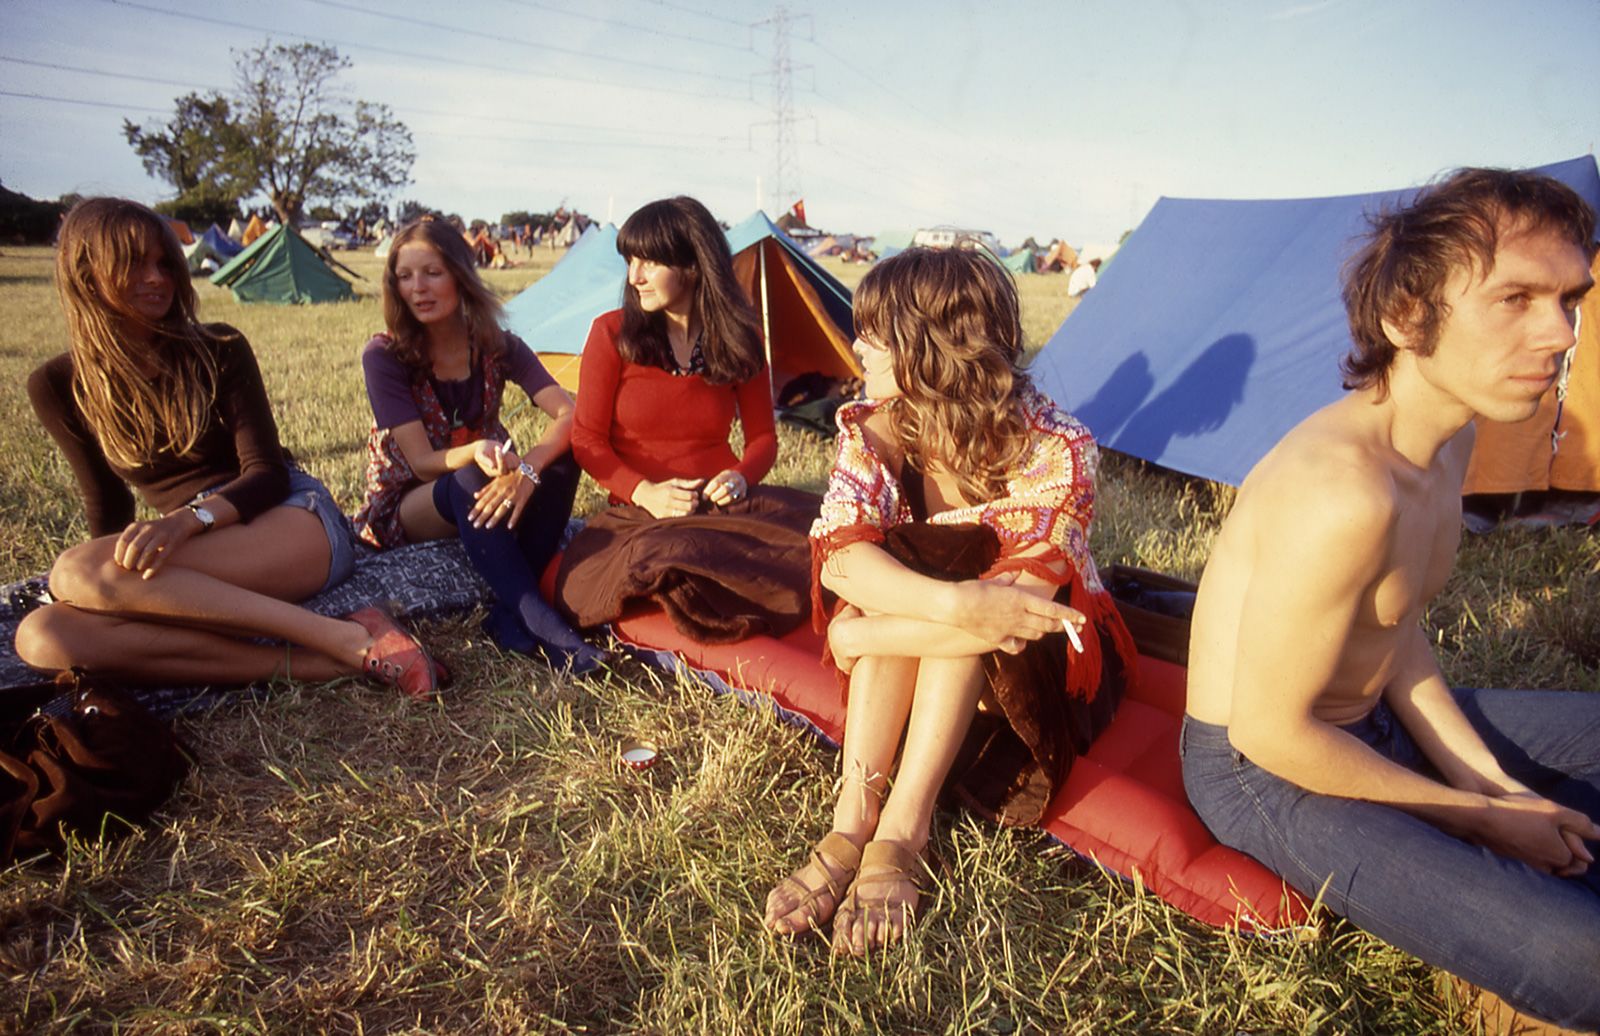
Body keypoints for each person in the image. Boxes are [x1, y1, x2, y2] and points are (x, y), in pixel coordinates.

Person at [1182, 168, 1600, 1031]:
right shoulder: (1343, 491)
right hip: (1264, 769)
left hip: (1372, 719)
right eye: (1517, 298)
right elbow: (1271, 732)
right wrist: (1483, 819)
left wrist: (1489, 785)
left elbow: (1398, 633)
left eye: (1570, 299)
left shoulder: (1450, 442)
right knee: (1583, 963)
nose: (1559, 333)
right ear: (1407, 317)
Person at [766, 247, 1136, 956]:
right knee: (931, 564)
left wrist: (862, 638)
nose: (858, 344)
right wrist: (955, 606)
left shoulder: (1059, 445)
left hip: (1044, 664)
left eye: (876, 330)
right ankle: (853, 819)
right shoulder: (879, 426)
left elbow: (1015, 615)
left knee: (956, 565)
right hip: (967, 632)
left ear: (934, 344)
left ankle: (905, 827)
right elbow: (842, 560)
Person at [17, 198, 438, 699]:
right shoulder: (57, 384)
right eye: (134, 263)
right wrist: (118, 595)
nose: (157, 278)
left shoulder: (218, 348)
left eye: (163, 263)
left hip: (285, 516)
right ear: (88, 274)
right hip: (192, 549)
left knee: (73, 569)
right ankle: (321, 665)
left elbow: (266, 474)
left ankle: (340, 636)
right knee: (43, 635)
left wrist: (185, 521)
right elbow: (107, 507)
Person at [554, 196, 818, 643]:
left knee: (819, 529)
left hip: (724, 507)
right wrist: (646, 492)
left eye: (649, 262)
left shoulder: (742, 337)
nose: (634, 276)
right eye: (630, 261)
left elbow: (762, 440)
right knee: (668, 557)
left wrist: (739, 476)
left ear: (693, 265)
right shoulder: (611, 333)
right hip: (642, 518)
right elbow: (587, 442)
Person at [352, 218, 600, 672]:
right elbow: (425, 464)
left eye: (432, 273)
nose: (418, 289)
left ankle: (505, 615)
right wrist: (476, 449)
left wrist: (529, 469)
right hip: (410, 504)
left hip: (488, 483)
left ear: (461, 275)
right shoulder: (384, 356)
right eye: (404, 277)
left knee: (563, 462)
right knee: (467, 475)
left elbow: (570, 414)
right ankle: (542, 623)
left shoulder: (497, 345)